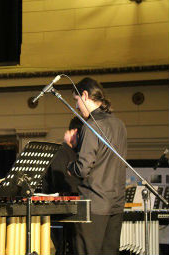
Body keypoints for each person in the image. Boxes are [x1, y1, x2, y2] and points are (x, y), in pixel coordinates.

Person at [64, 77, 127, 255]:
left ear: (84, 95)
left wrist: (70, 166)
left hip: (94, 205)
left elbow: (83, 168)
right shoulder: (119, 124)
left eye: (76, 100)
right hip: (116, 204)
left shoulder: (91, 125)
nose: (76, 106)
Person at [42, 117, 83, 255]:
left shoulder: (75, 154)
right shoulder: (60, 152)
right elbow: (61, 184)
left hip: (71, 212)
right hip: (62, 214)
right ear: (76, 132)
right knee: (63, 250)